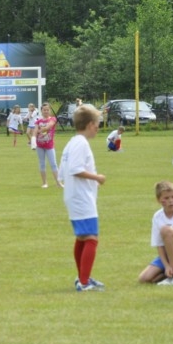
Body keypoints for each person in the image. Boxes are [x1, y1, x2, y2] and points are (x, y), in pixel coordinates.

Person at [58, 104, 106, 292]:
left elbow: (62, 173)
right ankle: (84, 282)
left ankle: (82, 278)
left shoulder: (72, 142)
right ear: (90, 124)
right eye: (97, 124)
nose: (98, 128)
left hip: (74, 195)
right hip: (81, 197)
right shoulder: (81, 143)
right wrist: (97, 178)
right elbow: (75, 169)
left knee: (82, 237)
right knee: (92, 238)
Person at [137, 181, 173, 285]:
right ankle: (172, 272)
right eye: (166, 198)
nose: (171, 201)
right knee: (144, 279)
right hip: (170, 253)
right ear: (158, 200)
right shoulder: (157, 216)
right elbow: (159, 245)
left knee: (167, 230)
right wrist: (166, 266)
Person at [35, 102, 61, 188]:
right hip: (40, 145)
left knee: (53, 164)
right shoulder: (38, 121)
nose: (46, 111)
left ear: (50, 110)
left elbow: (49, 127)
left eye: (47, 110)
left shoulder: (53, 119)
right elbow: (34, 132)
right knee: (42, 164)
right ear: (41, 111)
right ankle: (44, 183)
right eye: (44, 110)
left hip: (49, 146)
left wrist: (40, 130)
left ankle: (58, 183)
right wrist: (33, 139)